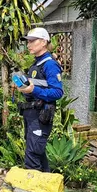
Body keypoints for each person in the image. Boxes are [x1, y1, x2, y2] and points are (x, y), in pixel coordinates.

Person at [14, 27, 64, 172]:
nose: (28, 45)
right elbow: (34, 89)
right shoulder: (35, 65)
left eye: (32, 41)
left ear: (43, 42)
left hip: (41, 116)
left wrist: (33, 89)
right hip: (31, 115)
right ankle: (48, 189)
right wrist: (24, 89)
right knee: (38, 153)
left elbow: (57, 92)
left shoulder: (50, 64)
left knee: (32, 156)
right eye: (27, 42)